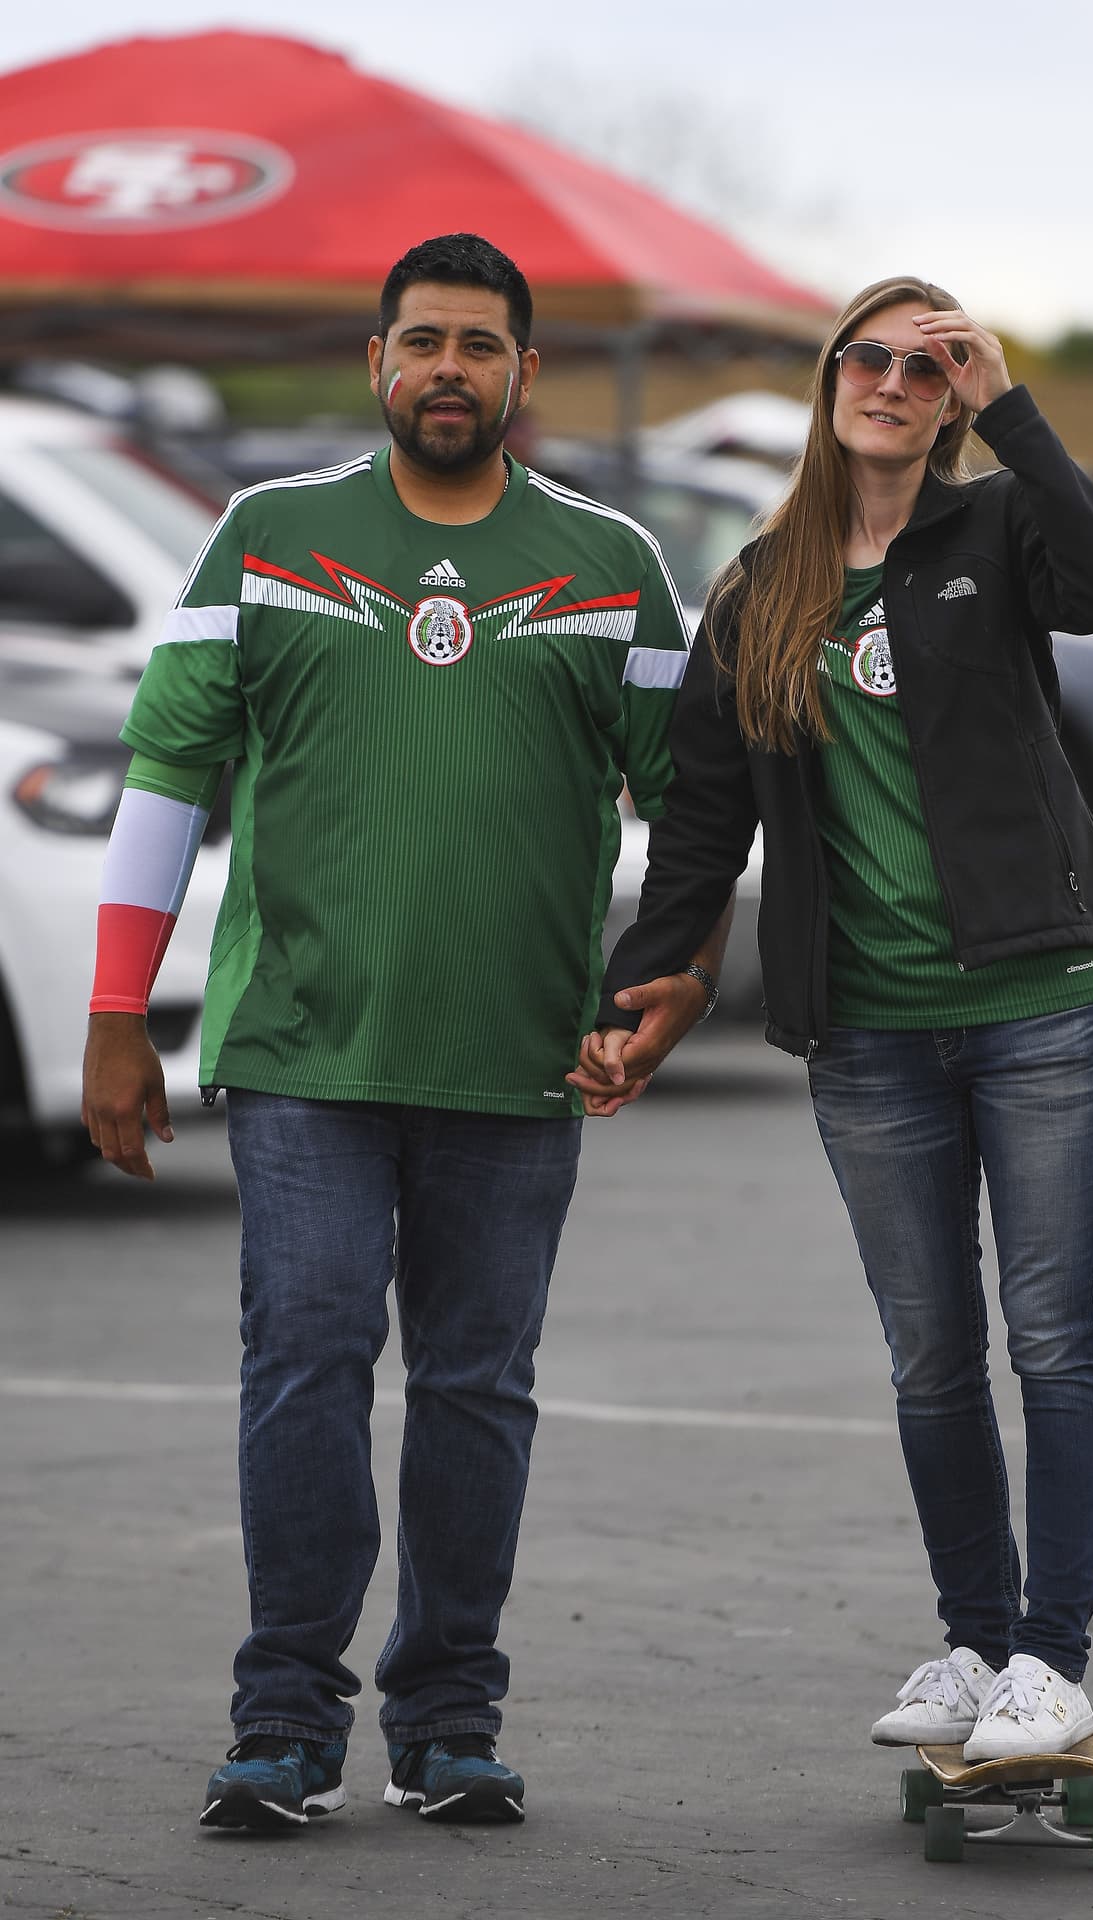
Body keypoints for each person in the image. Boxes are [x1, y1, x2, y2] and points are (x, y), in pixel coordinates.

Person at [81, 232, 720, 1832]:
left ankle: (449, 1719)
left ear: (524, 374)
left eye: (480, 346)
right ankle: (284, 1719)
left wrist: (672, 979)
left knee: (477, 1390)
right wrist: (113, 1014)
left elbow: (695, 804)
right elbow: (167, 773)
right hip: (302, 1050)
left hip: (517, 1063)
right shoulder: (269, 535)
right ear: (378, 364)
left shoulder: (613, 563)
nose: (450, 369)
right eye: (422, 341)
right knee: (303, 1365)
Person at [569, 276, 1093, 1762]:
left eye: (928, 362)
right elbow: (701, 818)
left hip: (1041, 1010)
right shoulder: (762, 586)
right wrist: (646, 985)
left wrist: (1012, 406)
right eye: (870, 355)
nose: (894, 379)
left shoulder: (1000, 529)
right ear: (832, 378)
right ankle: (973, 1643)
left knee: (1054, 1335)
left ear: (954, 393)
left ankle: (1052, 1662)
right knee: (929, 1356)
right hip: (873, 1036)